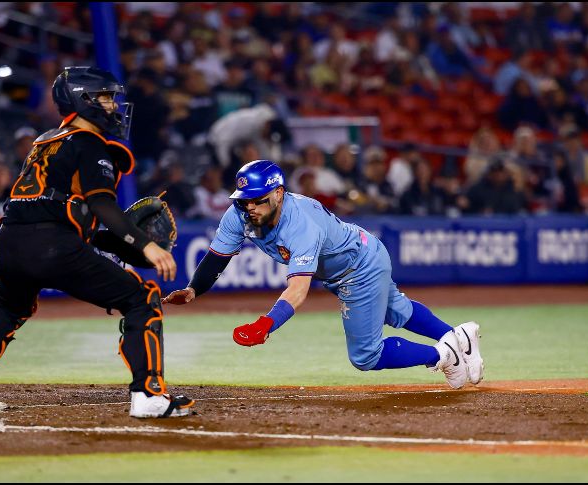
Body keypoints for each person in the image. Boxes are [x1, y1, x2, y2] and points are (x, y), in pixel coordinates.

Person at [0, 67, 194, 419]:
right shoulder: (89, 143)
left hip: (10, 241)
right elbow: (101, 205)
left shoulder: (45, 141)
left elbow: (57, 211)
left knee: (6, 308)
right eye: (104, 98)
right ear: (81, 100)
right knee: (140, 299)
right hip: (52, 245)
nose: (112, 106)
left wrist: (113, 243)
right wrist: (145, 245)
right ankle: (148, 395)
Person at [163, 160, 484, 389]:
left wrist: (266, 324)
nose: (250, 208)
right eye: (244, 201)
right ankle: (460, 336)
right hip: (359, 253)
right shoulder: (240, 214)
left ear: (278, 194)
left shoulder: (300, 225)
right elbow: (217, 257)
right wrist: (193, 290)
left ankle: (443, 354)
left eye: (257, 201)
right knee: (395, 311)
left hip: (358, 267)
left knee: (365, 355)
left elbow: (298, 291)